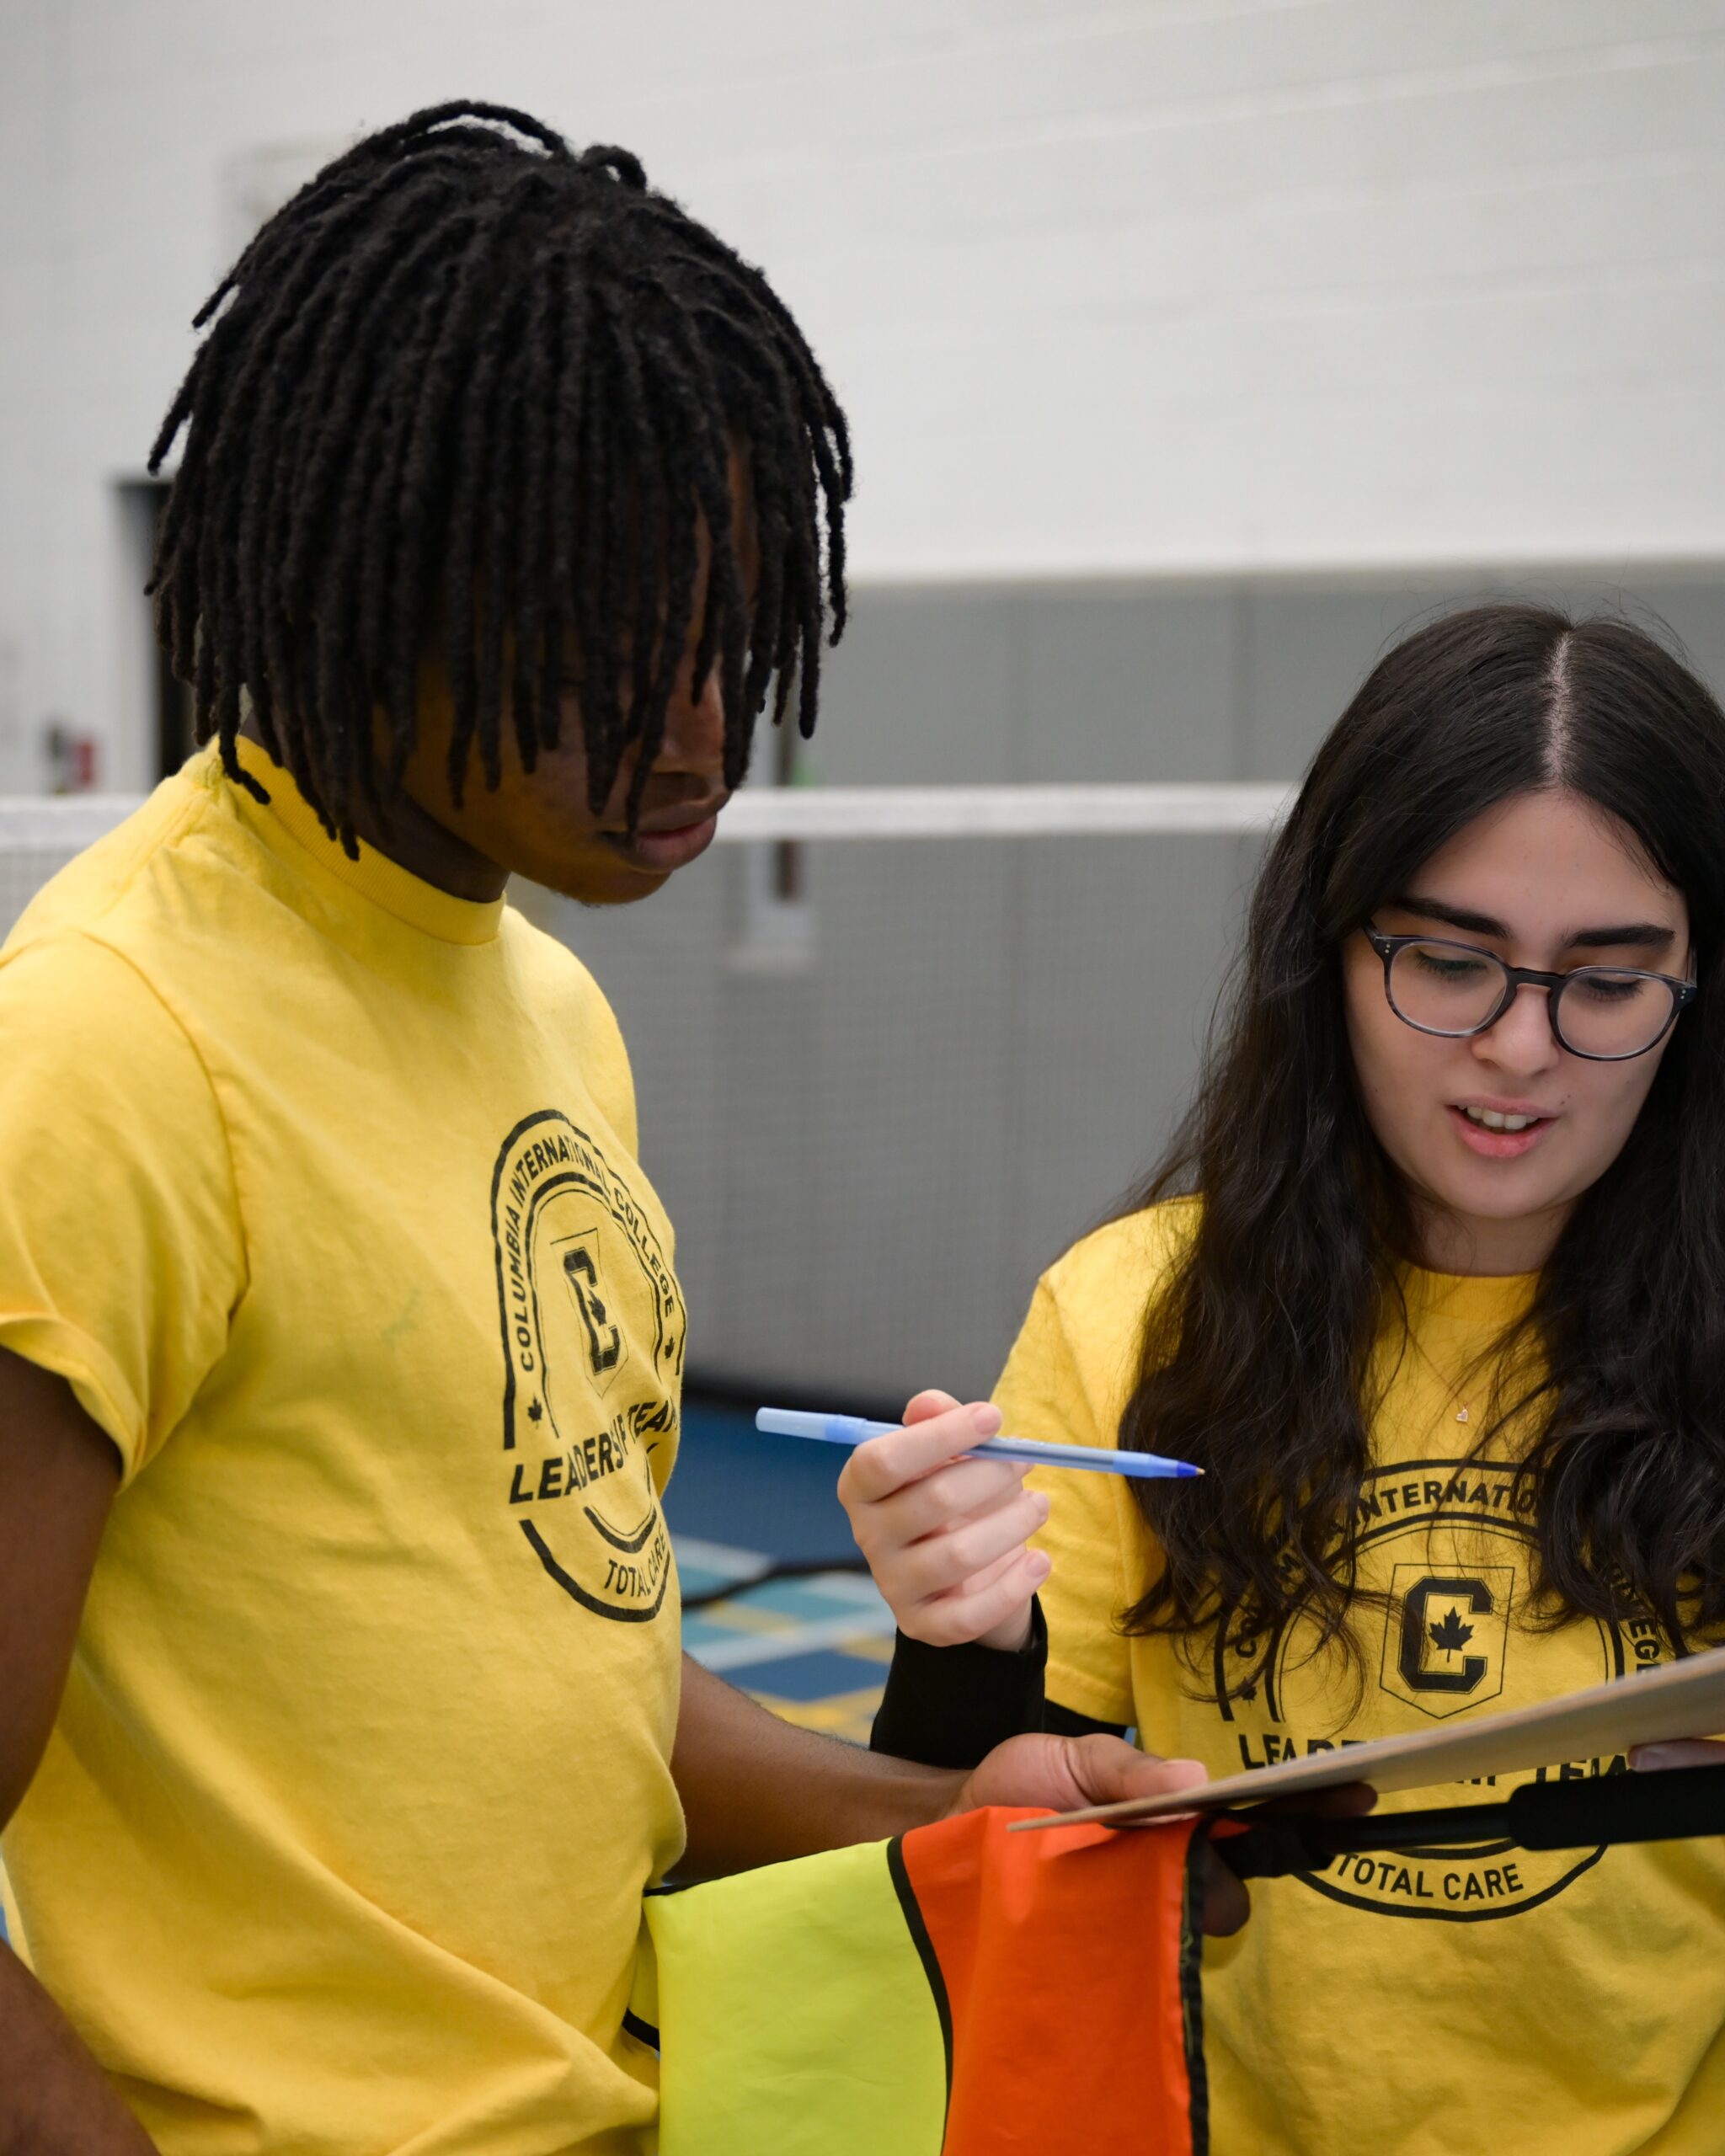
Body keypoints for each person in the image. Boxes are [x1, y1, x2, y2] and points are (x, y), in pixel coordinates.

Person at [0, 104, 1227, 2154]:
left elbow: (590, 1661)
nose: (699, 731)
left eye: (734, 637)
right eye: (610, 643)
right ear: (385, 576)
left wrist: (953, 1807)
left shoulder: (550, 1004)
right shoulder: (110, 1044)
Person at [842, 603, 1725, 2156]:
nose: (1520, 1048)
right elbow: (961, 1828)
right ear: (1329, 952)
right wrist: (962, 1633)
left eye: (1606, 984)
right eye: (1448, 961)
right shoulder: (1129, 1315)